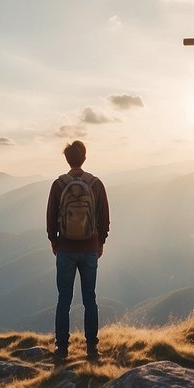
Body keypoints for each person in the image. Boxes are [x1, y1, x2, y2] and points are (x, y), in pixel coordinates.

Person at [46, 140, 110, 363]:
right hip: (90, 249)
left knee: (64, 299)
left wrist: (54, 242)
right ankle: (92, 348)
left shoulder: (58, 184)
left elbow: (50, 217)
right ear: (84, 157)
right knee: (89, 298)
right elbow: (104, 217)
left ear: (67, 159)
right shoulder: (95, 184)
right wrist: (99, 242)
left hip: (65, 249)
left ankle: (61, 348)